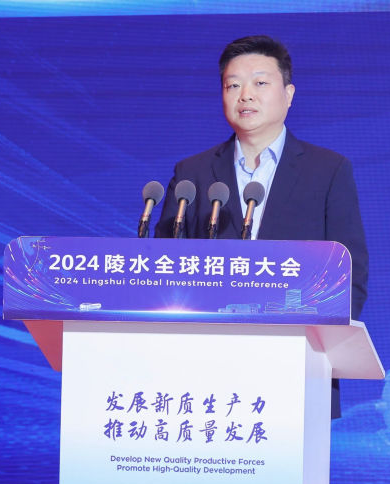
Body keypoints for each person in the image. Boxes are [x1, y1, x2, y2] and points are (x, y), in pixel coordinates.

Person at [154, 35, 368, 417]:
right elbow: (163, 267)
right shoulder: (192, 173)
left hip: (296, 368)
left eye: (260, 83)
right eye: (233, 85)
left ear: (289, 94)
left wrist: (315, 339)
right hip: (202, 374)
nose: (246, 95)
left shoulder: (328, 171)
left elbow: (349, 274)